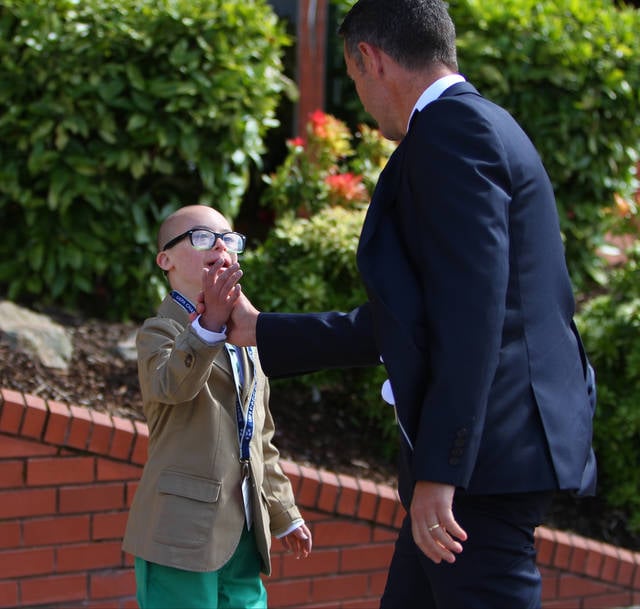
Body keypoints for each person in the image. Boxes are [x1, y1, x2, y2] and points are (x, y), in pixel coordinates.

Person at [223, 1, 597, 607]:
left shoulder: (451, 133)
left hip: (482, 464)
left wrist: (441, 472)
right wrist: (263, 331)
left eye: (353, 78)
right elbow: (420, 318)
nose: (361, 100)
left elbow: (472, 318)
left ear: (370, 59)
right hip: (496, 451)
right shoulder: (485, 123)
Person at [122, 204, 312, 609]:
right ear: (166, 260)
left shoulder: (245, 336)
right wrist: (208, 329)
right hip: (180, 534)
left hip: (244, 529)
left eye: (228, 238)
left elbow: (260, 437)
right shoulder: (159, 332)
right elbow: (173, 386)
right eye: (202, 237)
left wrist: (284, 512)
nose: (220, 245)